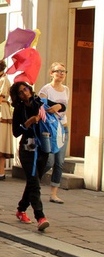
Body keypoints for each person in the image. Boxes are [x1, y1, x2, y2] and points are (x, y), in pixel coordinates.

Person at [9, 81, 64, 231]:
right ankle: (40, 217)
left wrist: (57, 107)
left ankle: (21, 210)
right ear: (17, 96)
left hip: (44, 146)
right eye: (20, 92)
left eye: (25, 89)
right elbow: (16, 132)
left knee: (34, 181)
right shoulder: (19, 109)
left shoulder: (40, 102)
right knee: (34, 182)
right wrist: (29, 122)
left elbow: (62, 106)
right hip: (28, 149)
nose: (25, 93)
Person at [39, 62, 70, 204]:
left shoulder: (66, 89)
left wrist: (60, 107)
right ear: (51, 73)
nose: (61, 74)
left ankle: (54, 193)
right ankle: (34, 181)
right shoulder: (46, 89)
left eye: (64, 71)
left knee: (59, 162)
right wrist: (54, 106)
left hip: (63, 128)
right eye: (58, 71)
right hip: (50, 129)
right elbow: (41, 107)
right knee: (49, 161)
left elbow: (65, 108)